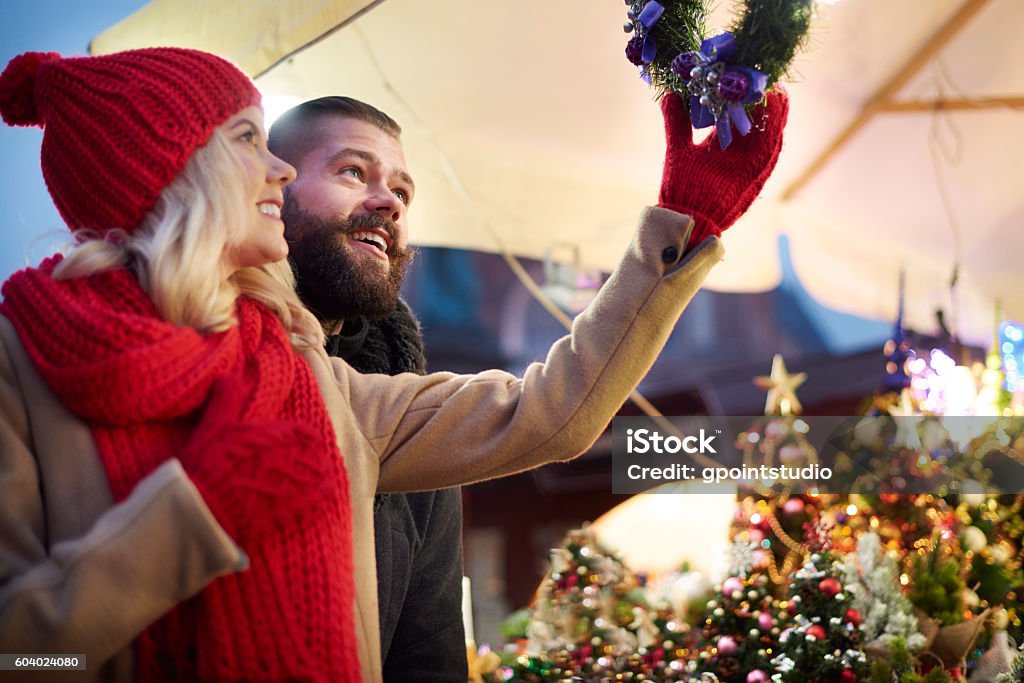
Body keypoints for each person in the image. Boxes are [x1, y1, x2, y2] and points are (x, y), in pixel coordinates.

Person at [0, 47, 785, 682]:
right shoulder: (19, 369)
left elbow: (549, 411)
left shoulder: (314, 379)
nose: (272, 167)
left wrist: (683, 226)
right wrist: (191, 519)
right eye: (248, 140)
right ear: (167, 167)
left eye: (402, 187)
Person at [269, 97, 467, 682]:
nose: (388, 204)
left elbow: (429, 649)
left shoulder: (407, 407)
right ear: (272, 188)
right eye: (353, 172)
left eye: (403, 193)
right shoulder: (199, 353)